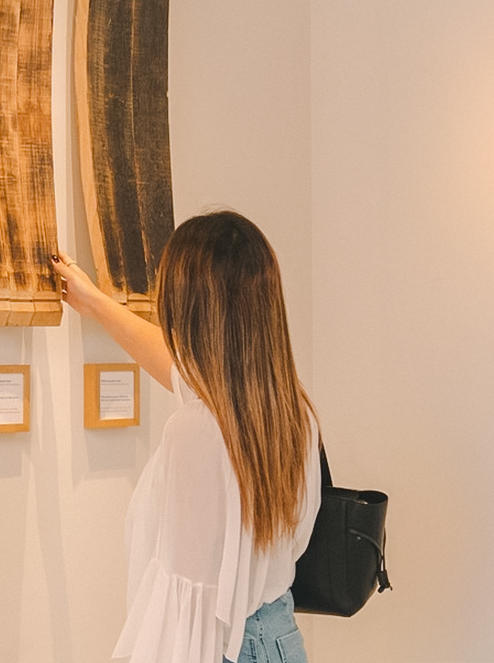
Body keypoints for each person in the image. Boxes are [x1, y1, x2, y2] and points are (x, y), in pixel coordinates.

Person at [51, 210, 321, 663]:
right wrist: (94, 302)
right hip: (280, 639)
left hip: (223, 648)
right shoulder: (291, 411)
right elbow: (180, 370)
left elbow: (186, 602)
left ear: (188, 308)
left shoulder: (195, 430)